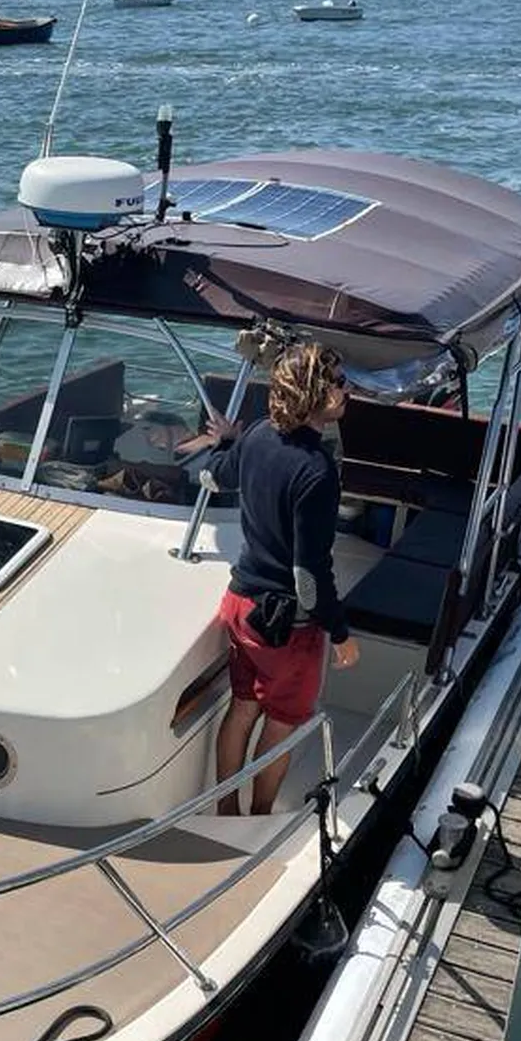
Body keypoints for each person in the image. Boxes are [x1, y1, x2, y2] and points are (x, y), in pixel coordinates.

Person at [207, 342, 359, 816]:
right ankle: (259, 816)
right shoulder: (317, 472)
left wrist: (227, 440)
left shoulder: (255, 436)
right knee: (281, 722)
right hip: (284, 627)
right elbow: (308, 573)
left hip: (240, 607)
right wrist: (339, 632)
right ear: (314, 393)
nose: (345, 389)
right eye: (336, 382)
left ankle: (227, 810)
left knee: (242, 709)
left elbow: (214, 478)